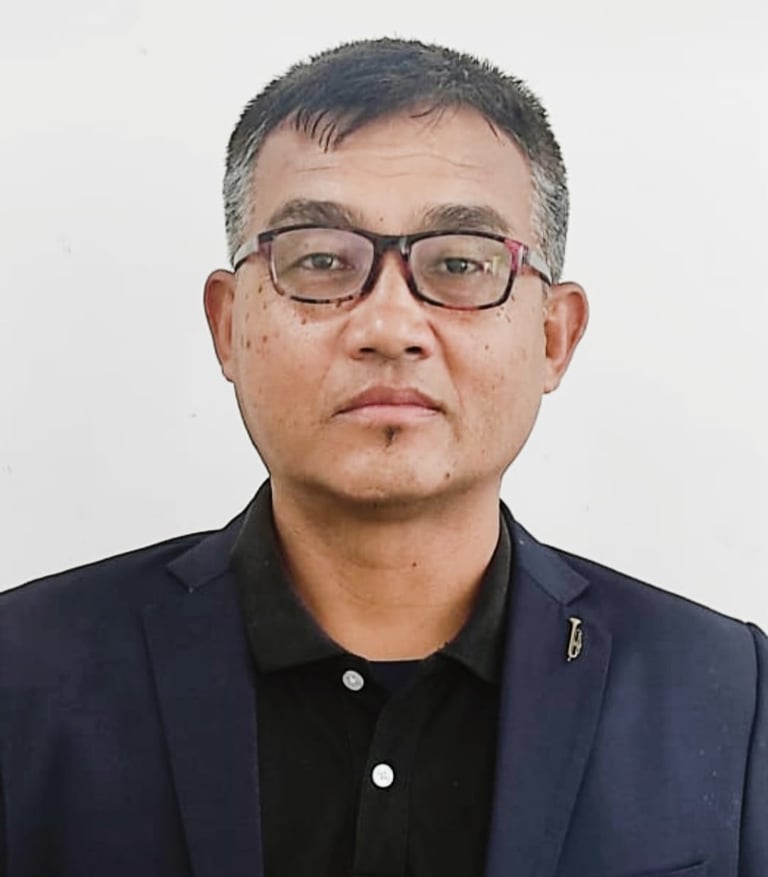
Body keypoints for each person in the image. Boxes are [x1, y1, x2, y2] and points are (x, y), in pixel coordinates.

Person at [0, 37, 764, 877]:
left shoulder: (727, 695)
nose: (389, 327)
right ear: (229, 325)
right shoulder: (25, 674)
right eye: (321, 261)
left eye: (461, 263)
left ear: (554, 336)